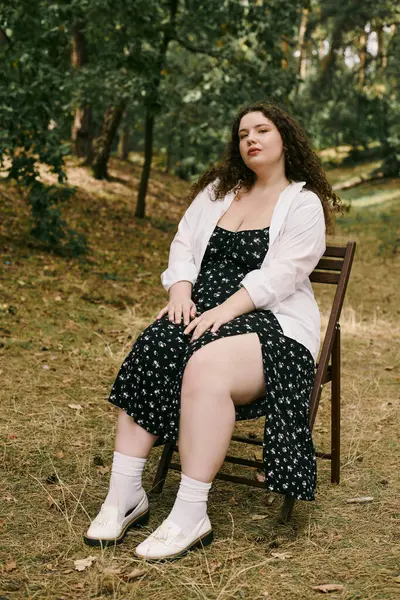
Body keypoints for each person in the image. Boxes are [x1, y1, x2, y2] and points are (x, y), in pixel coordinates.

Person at [84, 101, 342, 561]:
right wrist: (180, 292)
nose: (251, 140)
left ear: (285, 139)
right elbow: (183, 245)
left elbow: (280, 276)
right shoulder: (218, 192)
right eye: (243, 134)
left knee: (206, 366)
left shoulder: (304, 205)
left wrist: (225, 310)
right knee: (155, 344)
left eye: (262, 130)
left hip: (271, 324)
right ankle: (124, 494)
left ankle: (190, 513)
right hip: (201, 310)